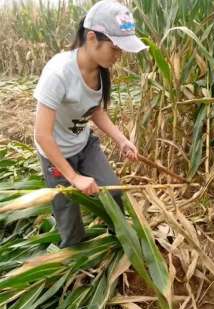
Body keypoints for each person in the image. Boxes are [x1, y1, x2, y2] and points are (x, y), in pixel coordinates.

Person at [33, 0, 148, 248]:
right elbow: (42, 135)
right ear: (92, 38)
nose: (119, 56)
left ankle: (119, 242)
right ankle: (75, 266)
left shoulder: (100, 69)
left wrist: (122, 140)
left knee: (114, 192)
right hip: (57, 155)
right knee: (71, 225)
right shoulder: (58, 73)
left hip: (84, 145)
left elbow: (95, 110)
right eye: (116, 49)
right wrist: (74, 177)